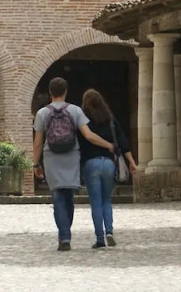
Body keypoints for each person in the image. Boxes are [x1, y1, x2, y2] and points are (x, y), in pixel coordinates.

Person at [33, 77, 116, 251]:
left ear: (50, 92)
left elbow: (38, 142)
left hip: (51, 157)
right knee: (68, 196)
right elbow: (89, 135)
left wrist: (35, 164)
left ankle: (64, 237)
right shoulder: (75, 110)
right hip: (71, 155)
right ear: (66, 92)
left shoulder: (42, 113)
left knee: (57, 197)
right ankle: (66, 231)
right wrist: (108, 145)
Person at [79, 88, 138, 249]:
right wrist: (131, 162)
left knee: (96, 202)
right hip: (109, 164)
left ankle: (99, 238)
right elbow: (123, 142)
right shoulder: (110, 119)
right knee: (106, 200)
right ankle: (109, 231)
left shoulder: (83, 121)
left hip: (91, 164)